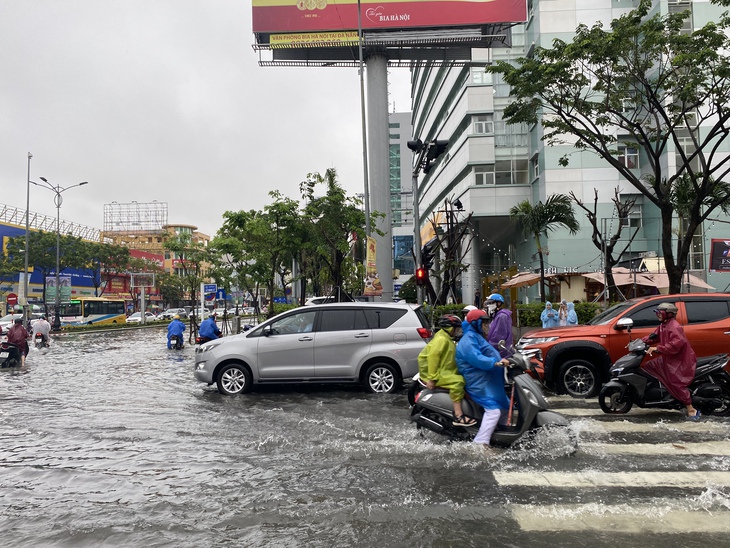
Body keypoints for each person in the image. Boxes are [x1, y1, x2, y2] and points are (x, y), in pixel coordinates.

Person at [456, 309, 511, 448]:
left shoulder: (476, 335)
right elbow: (476, 358)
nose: (486, 325)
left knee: (505, 405)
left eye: (487, 322)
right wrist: (494, 362)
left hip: (486, 378)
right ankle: (481, 442)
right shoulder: (468, 339)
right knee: (494, 410)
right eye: (484, 322)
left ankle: (499, 433)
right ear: (476, 323)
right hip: (477, 381)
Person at [641, 302, 701, 421]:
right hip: (668, 358)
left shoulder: (674, 326)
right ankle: (663, 393)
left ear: (668, 314)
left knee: (676, 382)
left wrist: (658, 348)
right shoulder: (663, 325)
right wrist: (639, 343)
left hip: (680, 360)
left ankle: (690, 408)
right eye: (657, 312)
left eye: (660, 312)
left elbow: (677, 344)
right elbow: (653, 337)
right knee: (648, 366)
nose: (657, 314)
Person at [417, 315, 477, 427]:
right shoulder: (441, 340)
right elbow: (433, 357)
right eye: (457, 328)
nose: (459, 330)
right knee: (458, 382)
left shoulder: (447, 338)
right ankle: (458, 416)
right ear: (450, 328)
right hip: (435, 373)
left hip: (443, 371)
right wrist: (432, 378)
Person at [485, 293, 513, 358]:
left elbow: (499, 336)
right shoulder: (497, 315)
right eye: (488, 303)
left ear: (499, 303)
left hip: (500, 352)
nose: (489, 305)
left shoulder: (501, 316)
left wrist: (488, 347)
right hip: (497, 350)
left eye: (491, 303)